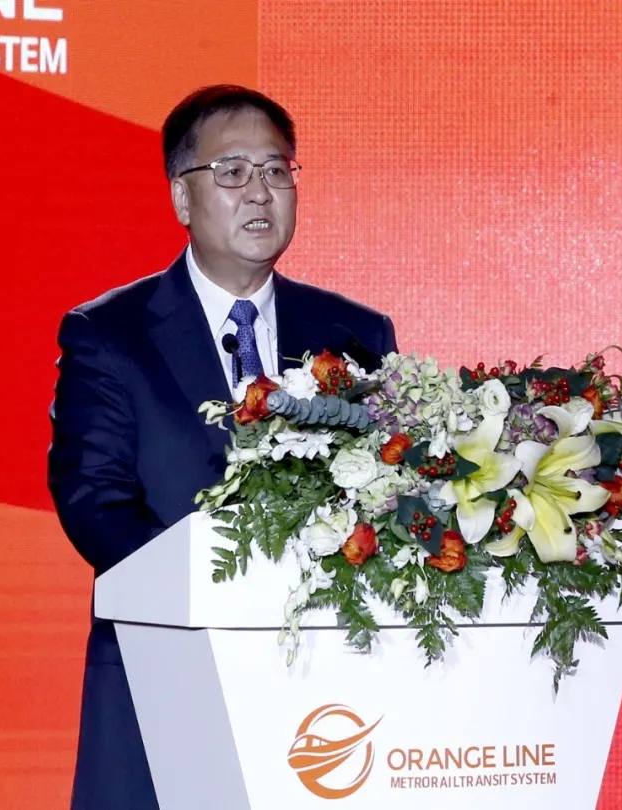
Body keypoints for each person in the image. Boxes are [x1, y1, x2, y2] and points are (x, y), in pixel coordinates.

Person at [47, 84, 398, 810]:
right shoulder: (110, 335)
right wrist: (220, 589)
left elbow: (391, 488)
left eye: (276, 170)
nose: (259, 193)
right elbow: (93, 499)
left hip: (326, 687)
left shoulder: (358, 335)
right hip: (163, 662)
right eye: (232, 172)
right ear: (182, 196)